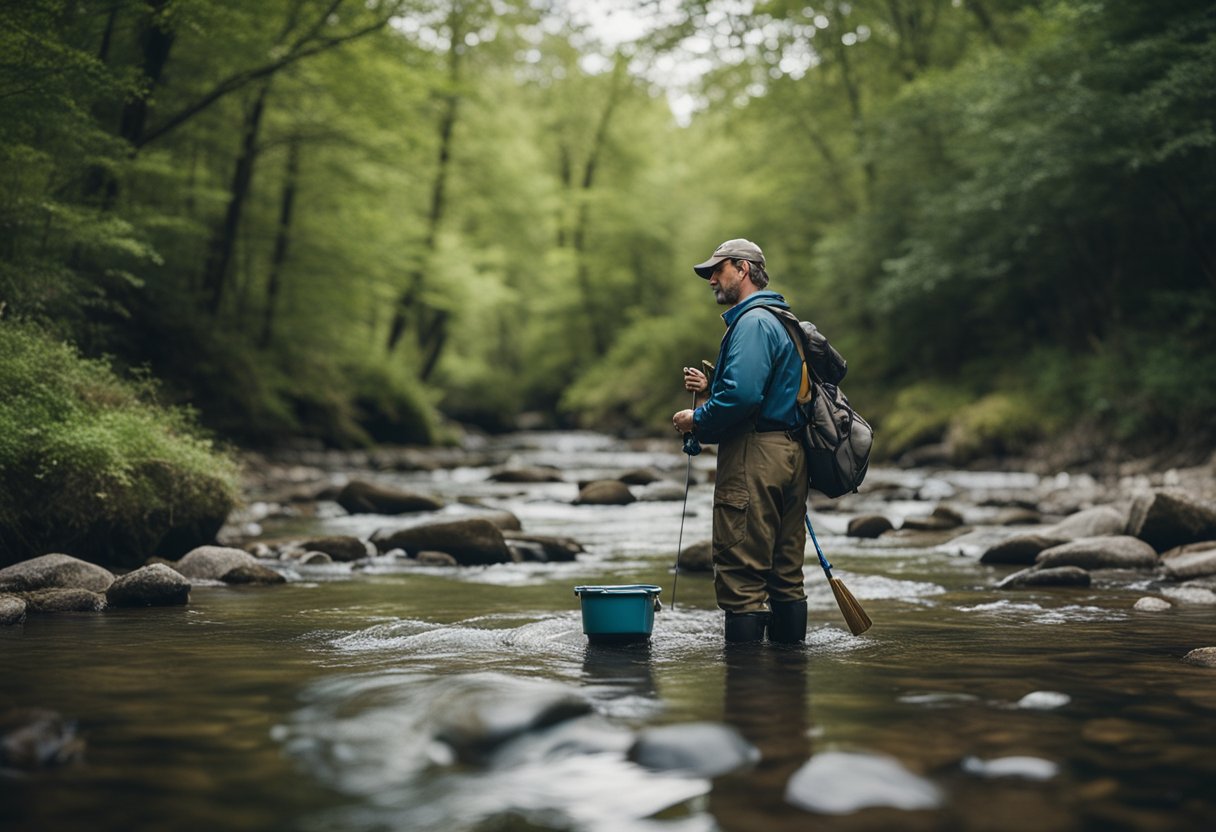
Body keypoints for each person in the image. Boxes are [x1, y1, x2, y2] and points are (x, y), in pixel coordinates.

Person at [671, 238, 809, 643]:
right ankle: (787, 684)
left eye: (719, 270)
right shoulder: (782, 319)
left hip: (756, 457)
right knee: (785, 576)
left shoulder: (751, 323)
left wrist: (695, 419)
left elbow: (744, 397)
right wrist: (712, 389)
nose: (712, 278)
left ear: (743, 269)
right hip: (791, 455)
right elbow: (767, 392)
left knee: (742, 579)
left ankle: (745, 696)